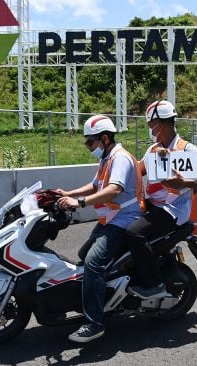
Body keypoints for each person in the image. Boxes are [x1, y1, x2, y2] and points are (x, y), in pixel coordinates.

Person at [56, 115, 144, 343]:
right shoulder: (107, 158)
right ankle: (103, 295)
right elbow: (96, 185)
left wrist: (81, 203)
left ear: (105, 138)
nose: (88, 147)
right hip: (111, 219)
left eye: (90, 142)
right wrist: (69, 193)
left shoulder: (120, 159)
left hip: (124, 219)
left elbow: (114, 190)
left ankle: (94, 323)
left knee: (93, 263)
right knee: (84, 256)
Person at [125, 100, 197, 299]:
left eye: (150, 124)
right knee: (122, 218)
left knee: (134, 234)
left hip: (173, 210)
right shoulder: (154, 149)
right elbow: (139, 170)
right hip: (153, 204)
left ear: (159, 124)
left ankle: (154, 284)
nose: (149, 129)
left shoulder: (188, 150)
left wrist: (186, 182)